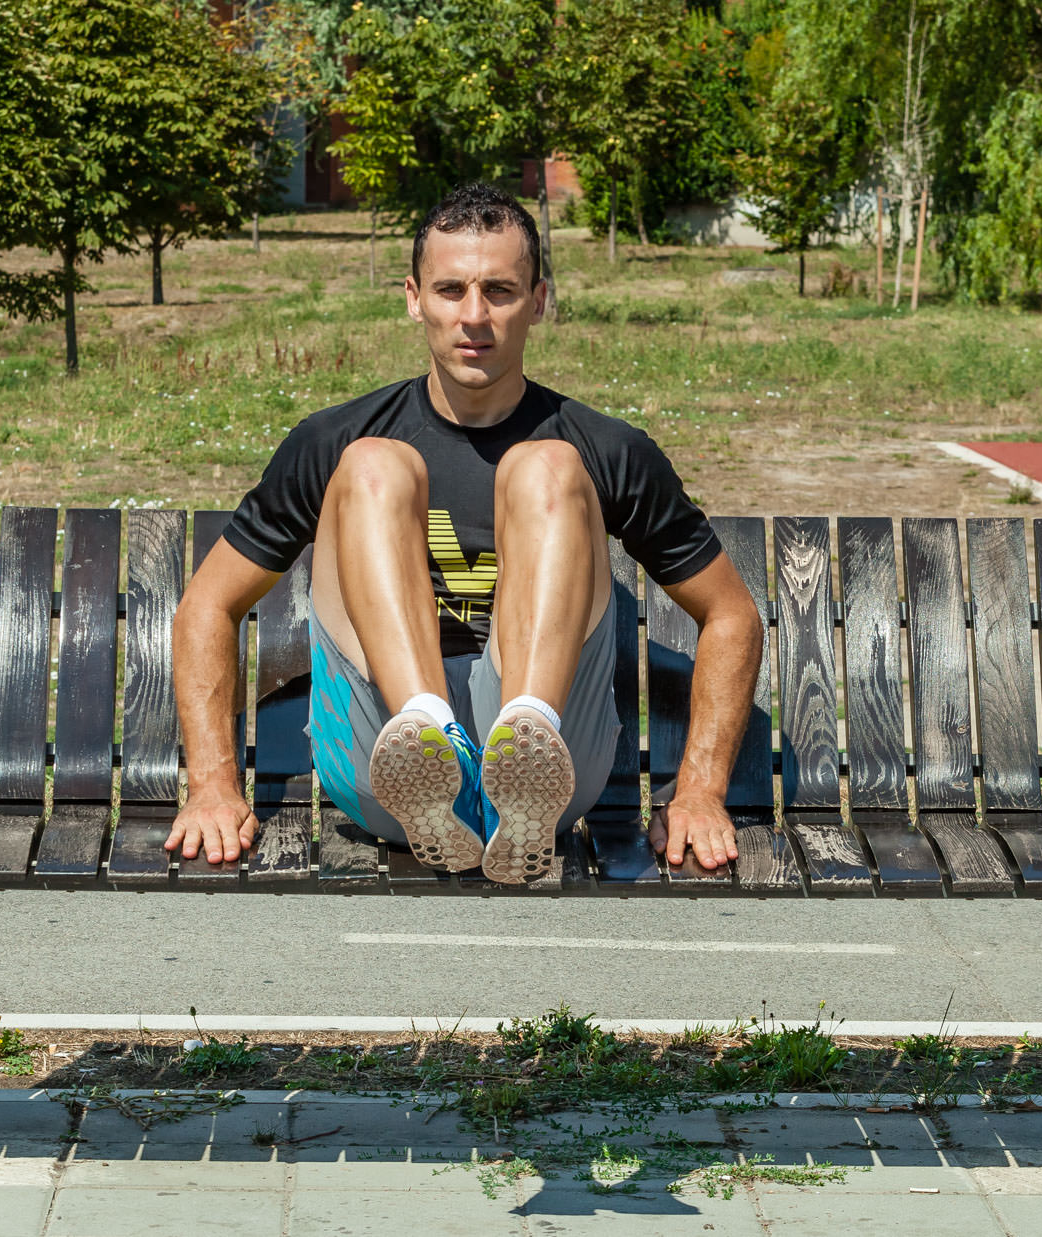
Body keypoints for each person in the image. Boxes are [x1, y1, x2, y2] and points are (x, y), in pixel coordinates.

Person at [165, 182, 762, 884]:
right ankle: (428, 727)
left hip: (555, 765)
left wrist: (698, 789)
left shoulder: (605, 450)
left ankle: (527, 734)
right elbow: (208, 604)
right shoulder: (335, 439)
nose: (473, 316)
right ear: (414, 297)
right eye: (451, 290)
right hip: (382, 756)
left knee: (546, 468)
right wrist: (211, 783)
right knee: (372, 466)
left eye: (500, 291)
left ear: (539, 301)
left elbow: (731, 614)